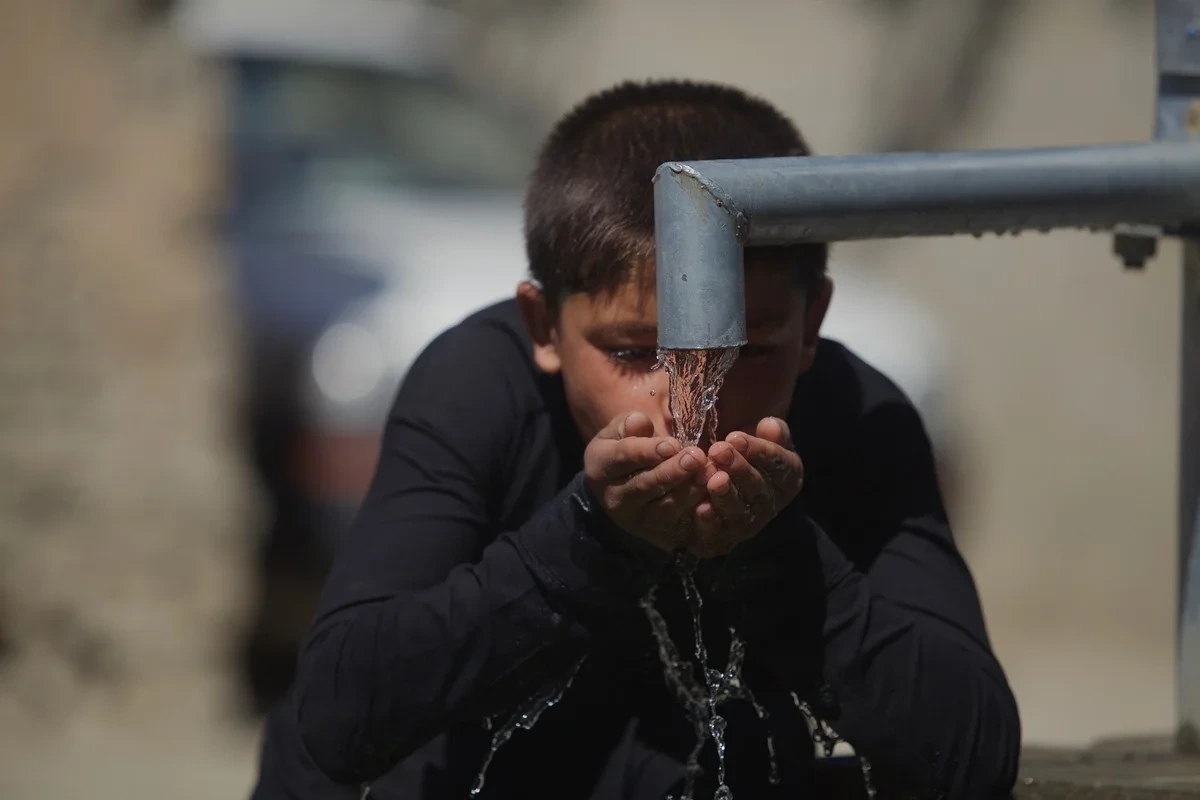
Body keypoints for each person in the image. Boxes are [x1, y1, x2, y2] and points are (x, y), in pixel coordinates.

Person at [250, 80, 1021, 800]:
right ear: (544, 327)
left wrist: (774, 556)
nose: (685, 404)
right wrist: (589, 537)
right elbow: (338, 718)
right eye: (629, 351)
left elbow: (973, 752)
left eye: (744, 352)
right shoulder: (479, 389)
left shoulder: (858, 416)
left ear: (811, 323)